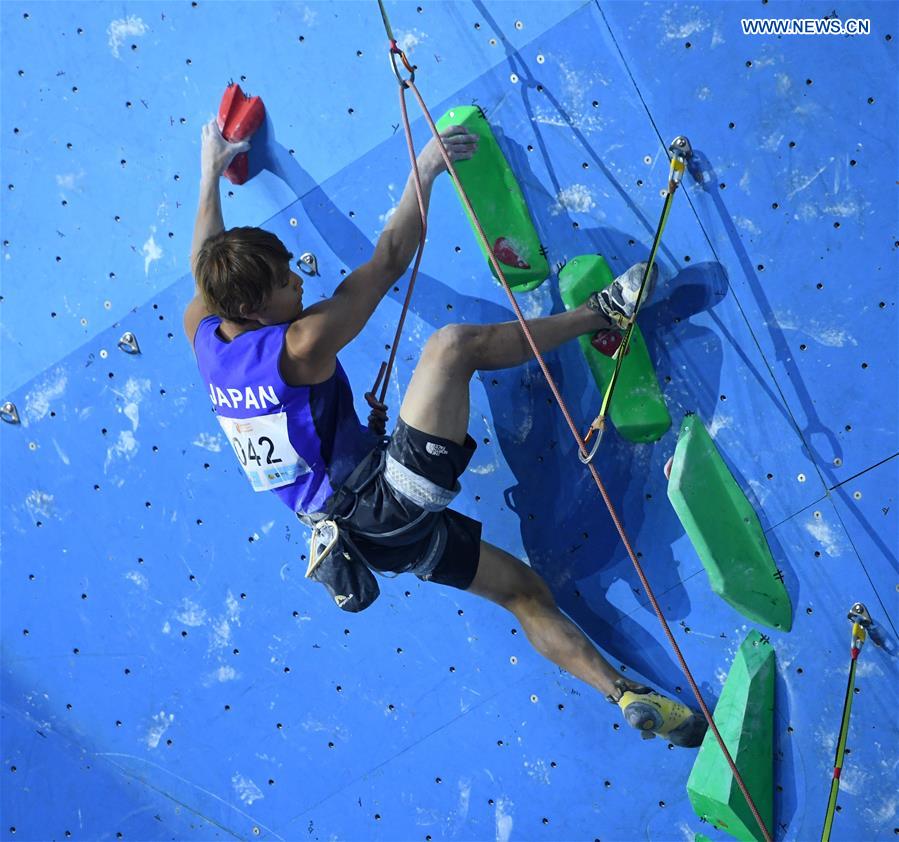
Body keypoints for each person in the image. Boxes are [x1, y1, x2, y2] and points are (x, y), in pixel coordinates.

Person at [185, 117, 707, 748]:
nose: (299, 281)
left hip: (364, 541)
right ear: (251, 310)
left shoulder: (208, 339)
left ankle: (625, 694)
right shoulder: (300, 343)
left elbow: (202, 263)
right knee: (453, 348)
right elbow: (388, 259)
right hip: (384, 500)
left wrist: (210, 170)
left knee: (521, 593)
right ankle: (603, 313)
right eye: (284, 283)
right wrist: (424, 169)